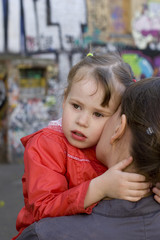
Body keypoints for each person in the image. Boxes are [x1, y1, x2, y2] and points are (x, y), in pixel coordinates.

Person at [12, 52, 150, 240]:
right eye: (76, 106)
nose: (82, 121)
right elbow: (42, 209)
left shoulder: (112, 146)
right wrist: (99, 188)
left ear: (117, 120)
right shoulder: (45, 145)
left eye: (98, 114)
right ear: (65, 99)